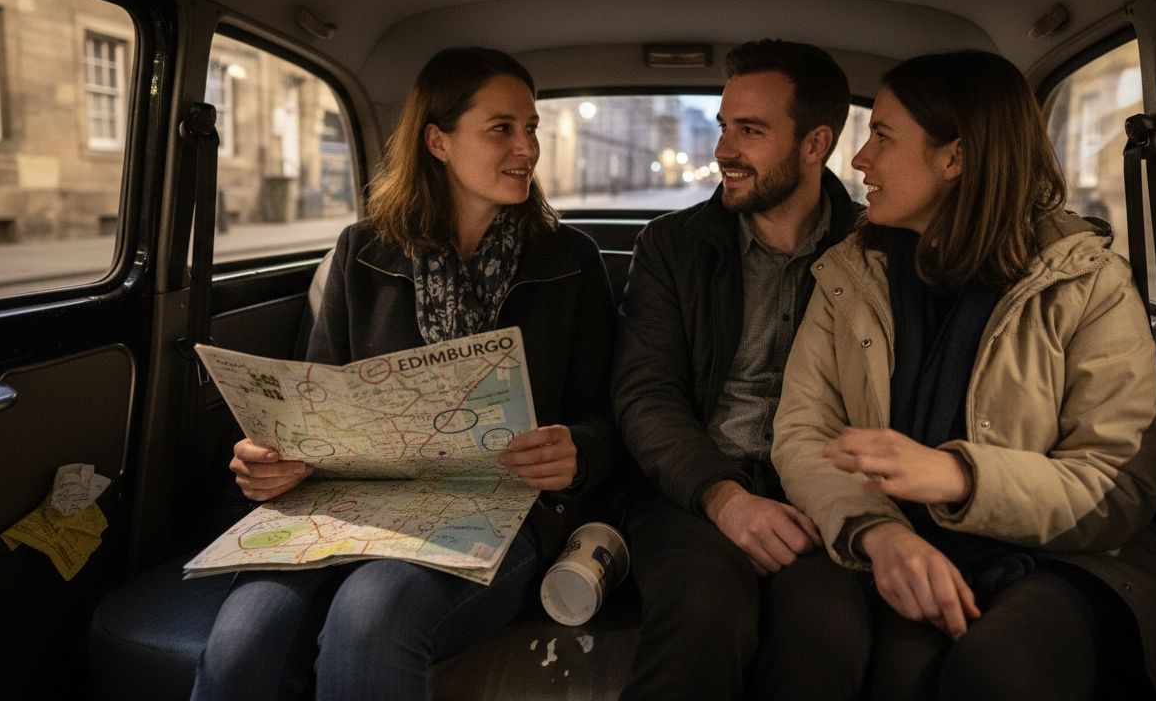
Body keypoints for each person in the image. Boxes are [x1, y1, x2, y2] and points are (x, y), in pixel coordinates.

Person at [772, 50, 1156, 699]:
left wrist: (961, 476)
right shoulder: (850, 274)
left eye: (882, 137)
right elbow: (805, 431)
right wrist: (881, 532)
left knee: (996, 670)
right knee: (862, 655)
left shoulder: (1086, 283)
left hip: (1062, 556)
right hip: (891, 529)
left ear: (955, 158)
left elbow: (1118, 487)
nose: (859, 161)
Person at [191, 47, 618, 701]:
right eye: (502, 128)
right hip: (349, 506)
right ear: (438, 141)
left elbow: (605, 413)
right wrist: (275, 456)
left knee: (372, 613)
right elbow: (318, 396)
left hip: (501, 514)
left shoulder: (570, 260)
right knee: (242, 639)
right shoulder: (363, 251)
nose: (526, 147)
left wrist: (577, 452)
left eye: (531, 128)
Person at [612, 39, 867, 701]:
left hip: (822, 492)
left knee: (829, 629)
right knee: (704, 609)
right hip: (692, 488)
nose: (724, 149)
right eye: (724, 126)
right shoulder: (673, 246)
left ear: (816, 144)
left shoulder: (875, 253)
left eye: (750, 131)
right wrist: (723, 498)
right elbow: (647, 395)